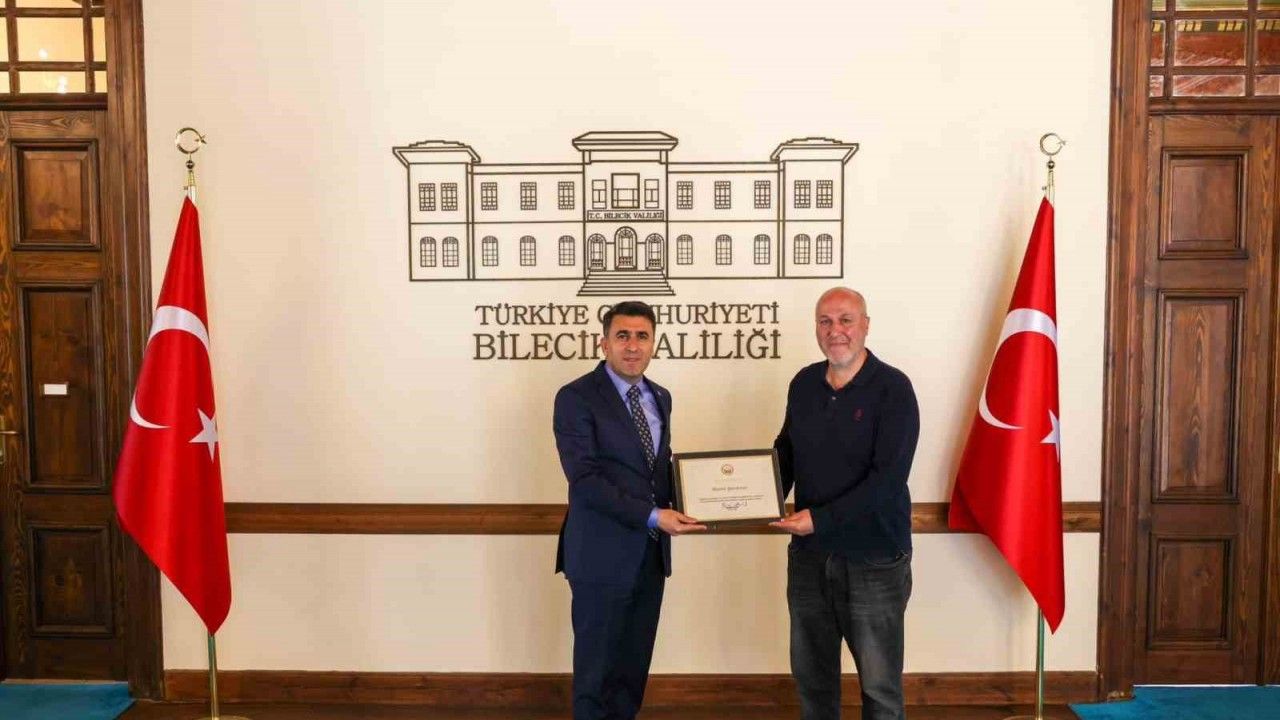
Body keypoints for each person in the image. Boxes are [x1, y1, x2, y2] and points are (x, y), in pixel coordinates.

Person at [771, 287, 920, 720]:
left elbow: (888, 480)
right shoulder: (803, 384)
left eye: (845, 320)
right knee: (813, 681)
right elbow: (785, 455)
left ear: (865, 325)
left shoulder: (893, 388)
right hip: (809, 559)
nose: (835, 330)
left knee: (879, 687)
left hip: (874, 560)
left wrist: (820, 519)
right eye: (825, 321)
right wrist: (744, 499)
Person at [553, 300, 706, 720]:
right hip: (600, 556)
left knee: (631, 674)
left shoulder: (661, 397)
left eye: (642, 336)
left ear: (654, 343)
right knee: (596, 676)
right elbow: (584, 480)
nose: (633, 345)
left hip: (650, 557)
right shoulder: (576, 398)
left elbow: (657, 470)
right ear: (604, 343)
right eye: (622, 336)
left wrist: (703, 498)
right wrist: (655, 516)